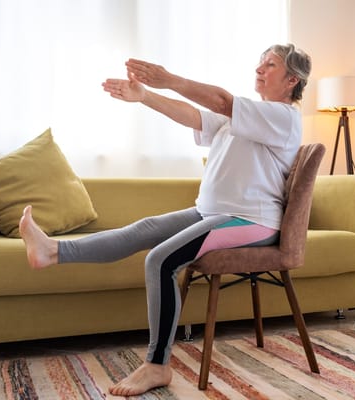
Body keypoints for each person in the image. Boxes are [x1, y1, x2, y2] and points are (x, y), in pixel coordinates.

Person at [19, 43, 311, 396]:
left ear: (292, 80)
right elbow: (196, 115)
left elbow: (219, 101)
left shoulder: (283, 117)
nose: (259, 68)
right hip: (212, 212)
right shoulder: (248, 115)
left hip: (251, 220)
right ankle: (52, 252)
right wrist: (144, 96)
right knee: (143, 230)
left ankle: (157, 366)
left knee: (160, 260)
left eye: (270, 64)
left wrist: (168, 79)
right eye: (260, 62)